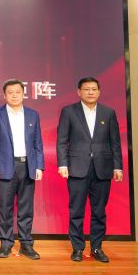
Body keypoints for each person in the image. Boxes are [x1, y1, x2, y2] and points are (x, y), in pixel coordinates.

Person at [56, 77, 123, 263]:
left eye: (94, 89)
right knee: (76, 210)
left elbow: (115, 142)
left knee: (99, 211)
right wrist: (63, 164)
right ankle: (77, 248)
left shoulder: (108, 113)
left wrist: (118, 166)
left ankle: (96, 247)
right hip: (77, 168)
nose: (91, 92)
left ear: (99, 92)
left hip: (103, 168)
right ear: (79, 92)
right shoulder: (69, 111)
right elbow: (62, 140)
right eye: (86, 89)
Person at [0, 79, 44, 260]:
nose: (14, 95)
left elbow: (38, 143)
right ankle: (6, 243)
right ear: (4, 95)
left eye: (18, 92)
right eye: (10, 92)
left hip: (27, 166)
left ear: (23, 94)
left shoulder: (33, 115)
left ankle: (26, 244)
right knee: (5, 207)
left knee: (26, 209)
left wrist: (39, 166)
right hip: (5, 166)